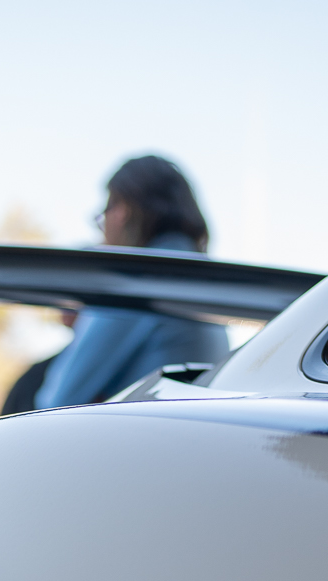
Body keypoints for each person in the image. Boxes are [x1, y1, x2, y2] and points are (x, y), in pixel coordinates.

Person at [35, 157, 229, 409]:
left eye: (102, 217)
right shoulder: (202, 278)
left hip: (140, 439)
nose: (102, 233)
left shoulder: (139, 280)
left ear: (122, 212)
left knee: (30, 380)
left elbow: (57, 401)